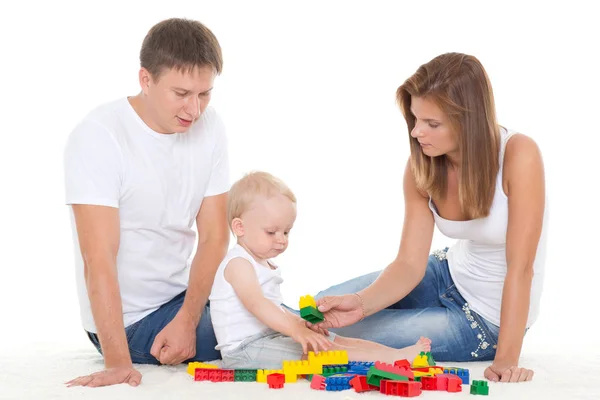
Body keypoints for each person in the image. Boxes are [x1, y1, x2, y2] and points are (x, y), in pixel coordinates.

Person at [311, 52, 547, 383]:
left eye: (432, 124)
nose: (417, 132)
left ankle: (233, 337)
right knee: (318, 317)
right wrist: (361, 303)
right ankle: (230, 323)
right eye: (415, 119)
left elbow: (522, 269)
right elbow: (409, 264)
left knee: (325, 342)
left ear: (469, 121)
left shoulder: (519, 155)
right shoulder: (423, 164)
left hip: (485, 319)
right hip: (444, 273)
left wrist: (506, 359)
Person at [63, 18, 230, 388]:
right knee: (278, 329)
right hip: (132, 322)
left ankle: (377, 302)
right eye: (182, 93)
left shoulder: (210, 126)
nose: (195, 109)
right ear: (145, 80)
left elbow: (215, 237)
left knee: (277, 310)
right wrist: (118, 362)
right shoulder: (99, 136)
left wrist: (188, 317)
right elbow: (98, 258)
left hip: (186, 299)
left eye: (205, 94)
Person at [209, 171, 432, 369]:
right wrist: (295, 330)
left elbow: (274, 307)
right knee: (321, 352)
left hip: (268, 337)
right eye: (271, 232)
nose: (281, 240)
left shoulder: (261, 262)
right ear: (240, 227)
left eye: (286, 232)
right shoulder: (238, 264)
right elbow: (258, 304)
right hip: (244, 351)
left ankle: (395, 354)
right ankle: (394, 361)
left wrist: (298, 323)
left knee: (333, 340)